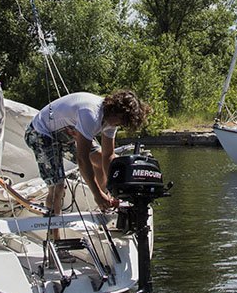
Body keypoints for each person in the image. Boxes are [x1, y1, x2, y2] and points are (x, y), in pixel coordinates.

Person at [24, 90, 150, 242]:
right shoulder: (91, 115)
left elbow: (108, 156)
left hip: (66, 132)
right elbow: (82, 159)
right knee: (57, 186)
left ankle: (104, 207)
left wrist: (115, 191)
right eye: (121, 121)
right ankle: (54, 239)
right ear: (115, 111)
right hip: (40, 132)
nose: (120, 125)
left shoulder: (111, 120)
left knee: (98, 159)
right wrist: (97, 194)